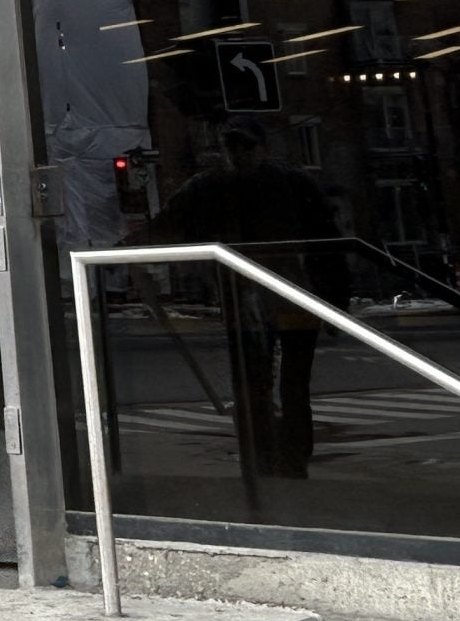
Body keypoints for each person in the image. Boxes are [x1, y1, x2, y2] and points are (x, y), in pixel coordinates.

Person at [139, 116, 347, 478]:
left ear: (261, 148)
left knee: (281, 384)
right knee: (260, 384)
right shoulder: (220, 186)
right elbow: (166, 224)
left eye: (244, 146)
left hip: (284, 296)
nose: (238, 153)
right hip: (259, 299)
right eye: (231, 146)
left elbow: (326, 243)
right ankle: (271, 460)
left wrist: (335, 300)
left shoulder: (240, 185)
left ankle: (280, 459)